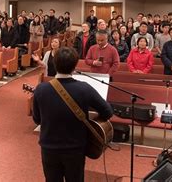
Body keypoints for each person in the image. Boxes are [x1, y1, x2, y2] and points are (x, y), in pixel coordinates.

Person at [32, 47, 113, 182]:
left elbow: (37, 119)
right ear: (75, 65)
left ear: (54, 64)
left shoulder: (41, 89)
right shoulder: (84, 88)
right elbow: (107, 112)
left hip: (49, 147)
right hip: (75, 148)